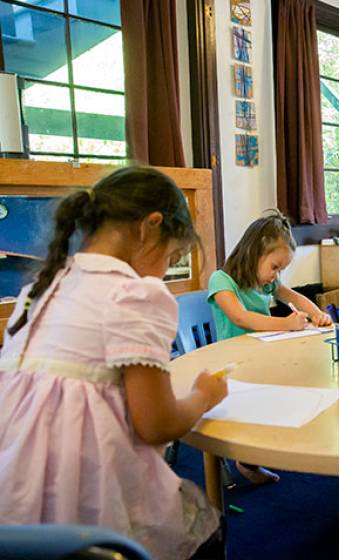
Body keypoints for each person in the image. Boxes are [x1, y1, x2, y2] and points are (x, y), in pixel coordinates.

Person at [0, 166, 229, 559]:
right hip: (84, 499)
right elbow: (157, 425)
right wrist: (203, 396)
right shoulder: (136, 295)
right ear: (150, 226)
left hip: (12, 492)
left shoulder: (39, 289)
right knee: (202, 531)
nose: (164, 270)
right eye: (172, 257)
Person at [208, 210, 331, 483]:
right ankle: (246, 461)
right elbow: (241, 317)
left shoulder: (267, 283)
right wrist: (286, 324)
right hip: (233, 366)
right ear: (254, 253)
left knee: (296, 379)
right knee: (268, 393)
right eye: (275, 267)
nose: (276, 275)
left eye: (281, 270)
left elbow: (294, 297)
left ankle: (257, 453)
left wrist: (317, 314)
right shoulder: (221, 280)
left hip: (260, 358)